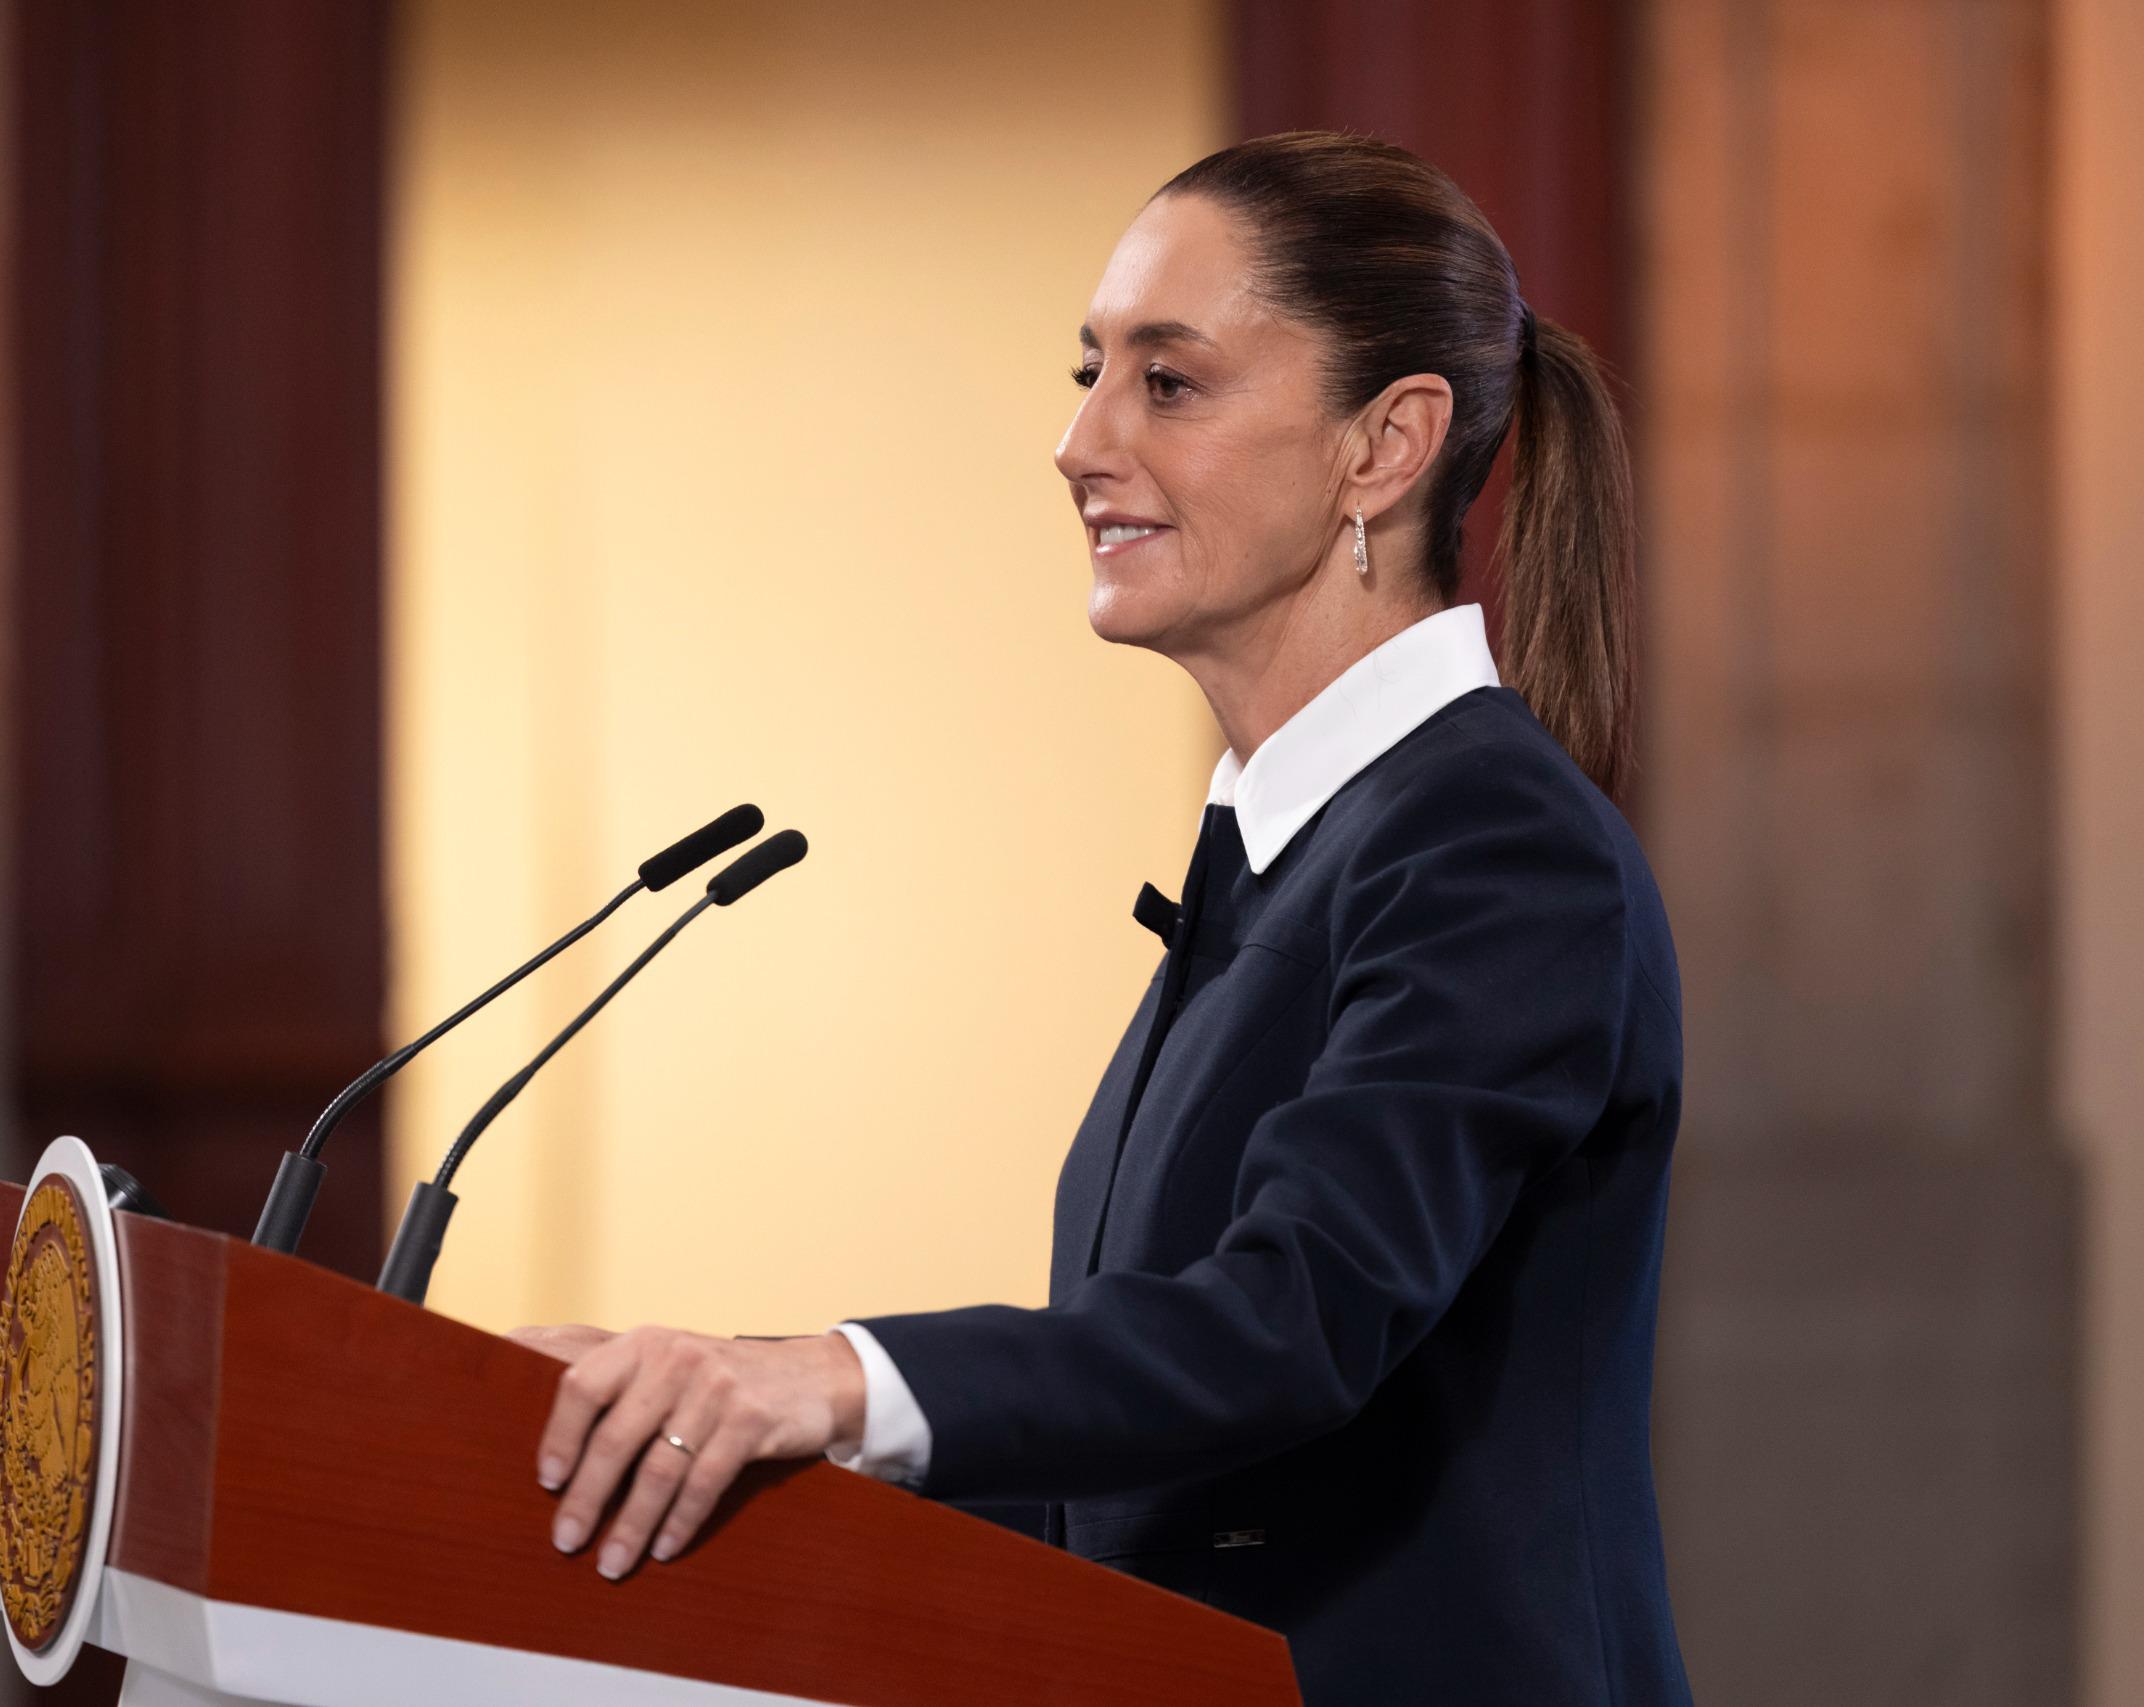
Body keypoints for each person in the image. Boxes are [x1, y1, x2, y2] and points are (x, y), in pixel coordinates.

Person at [510, 130, 1692, 1705]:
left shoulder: (1497, 849)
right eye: (1089, 373)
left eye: (1168, 382)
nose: (1080, 442)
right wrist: (702, 1419)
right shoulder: (1290, 855)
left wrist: (827, 1380)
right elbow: (1138, 1491)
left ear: (1385, 446)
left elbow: (1290, 1324)